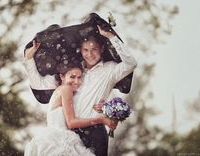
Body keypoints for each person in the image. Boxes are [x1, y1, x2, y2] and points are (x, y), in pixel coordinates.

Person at [24, 25, 137, 156]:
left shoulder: (109, 70)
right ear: (81, 51)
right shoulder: (73, 72)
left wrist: (111, 37)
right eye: (86, 50)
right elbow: (39, 83)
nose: (90, 54)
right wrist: (29, 59)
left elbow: (131, 63)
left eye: (94, 49)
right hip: (70, 133)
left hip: (95, 132)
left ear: (102, 49)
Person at [24, 63, 116, 156]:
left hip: (52, 137)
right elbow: (71, 123)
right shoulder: (66, 89)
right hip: (60, 139)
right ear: (62, 76)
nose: (76, 81)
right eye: (72, 77)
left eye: (79, 77)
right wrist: (100, 120)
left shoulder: (61, 90)